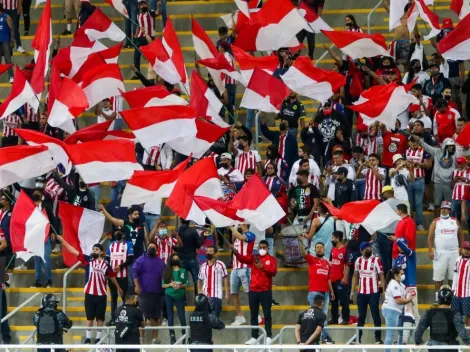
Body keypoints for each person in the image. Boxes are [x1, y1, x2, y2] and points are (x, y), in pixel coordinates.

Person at [57, 236, 123, 344]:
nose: (94, 251)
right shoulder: (87, 260)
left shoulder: (106, 264)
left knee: (100, 319)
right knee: (89, 317)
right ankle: (87, 338)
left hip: (101, 294)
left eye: (96, 249)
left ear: (101, 252)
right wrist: (63, 241)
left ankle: (98, 338)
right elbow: (73, 251)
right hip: (89, 294)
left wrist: (118, 287)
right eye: (93, 249)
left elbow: (111, 277)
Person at [231, 240, 277, 345]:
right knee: (253, 315)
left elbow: (274, 272)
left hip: (265, 290)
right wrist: (235, 252)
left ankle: (269, 336)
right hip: (253, 290)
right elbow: (242, 259)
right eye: (260, 247)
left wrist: (263, 268)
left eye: (264, 247)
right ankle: (254, 337)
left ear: (268, 248)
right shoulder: (254, 258)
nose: (262, 249)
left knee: (267, 314)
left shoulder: (271, 259)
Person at [299, 240, 335, 344]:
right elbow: (303, 253)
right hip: (315, 293)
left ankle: (324, 337)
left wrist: (331, 292)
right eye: (317, 247)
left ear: (324, 249)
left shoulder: (327, 263)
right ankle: (311, 338)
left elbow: (328, 279)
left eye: (321, 247)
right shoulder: (312, 259)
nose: (319, 248)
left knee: (323, 316)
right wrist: (302, 243)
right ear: (315, 250)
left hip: (326, 293)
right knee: (313, 316)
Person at [428, 201, 464, 301]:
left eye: (446, 208)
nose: (444, 210)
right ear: (440, 209)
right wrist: (430, 250)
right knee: (438, 278)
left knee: (453, 277)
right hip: (440, 253)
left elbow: (461, 234)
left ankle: (452, 298)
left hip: (454, 253)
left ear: (449, 210)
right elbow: (430, 237)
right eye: (442, 208)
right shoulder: (436, 221)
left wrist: (461, 248)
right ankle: (437, 298)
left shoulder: (455, 221)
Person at [350, 242, 385, 344]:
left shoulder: (376, 260)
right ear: (361, 251)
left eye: (369, 248)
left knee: (375, 315)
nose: (369, 249)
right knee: (361, 316)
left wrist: (383, 291)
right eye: (366, 248)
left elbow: (381, 275)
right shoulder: (358, 261)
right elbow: (355, 276)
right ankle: (358, 338)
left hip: (373, 292)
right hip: (361, 293)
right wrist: (352, 291)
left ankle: (378, 338)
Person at [133, 242, 166, 344]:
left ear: (157, 250)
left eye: (154, 247)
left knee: (156, 317)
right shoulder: (140, 260)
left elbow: (165, 276)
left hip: (158, 293)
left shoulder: (161, 262)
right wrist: (137, 286)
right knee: (143, 318)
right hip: (145, 292)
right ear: (147, 248)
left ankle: (154, 338)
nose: (151, 248)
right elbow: (134, 272)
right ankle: (141, 339)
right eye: (150, 247)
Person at [106, 229, 134, 326]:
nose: (117, 234)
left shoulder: (128, 244)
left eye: (119, 233)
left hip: (123, 275)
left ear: (123, 234)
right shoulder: (110, 244)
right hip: (112, 276)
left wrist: (121, 266)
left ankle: (126, 317)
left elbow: (130, 259)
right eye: (116, 232)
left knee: (124, 297)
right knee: (113, 297)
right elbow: (107, 259)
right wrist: (110, 271)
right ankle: (113, 318)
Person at [382, 267, 412, 352]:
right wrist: (408, 300)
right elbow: (398, 300)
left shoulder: (400, 284)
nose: (403, 275)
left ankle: (400, 350)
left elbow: (406, 291)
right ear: (395, 275)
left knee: (401, 333)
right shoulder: (393, 284)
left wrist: (410, 293)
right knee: (390, 334)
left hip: (398, 311)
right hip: (391, 310)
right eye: (401, 274)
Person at [230, 225, 255, 326]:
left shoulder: (250, 235)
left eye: (240, 224)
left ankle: (255, 314)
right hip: (235, 268)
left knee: (250, 293)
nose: (238, 225)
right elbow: (234, 237)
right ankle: (240, 316)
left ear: (245, 224)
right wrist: (234, 226)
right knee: (234, 293)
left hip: (245, 268)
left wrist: (230, 226)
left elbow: (241, 237)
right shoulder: (236, 238)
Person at [162, 253, 187, 344]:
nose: (176, 260)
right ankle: (172, 336)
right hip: (169, 294)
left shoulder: (183, 270)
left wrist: (180, 285)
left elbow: (186, 283)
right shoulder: (167, 271)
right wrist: (171, 284)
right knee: (170, 316)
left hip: (180, 295)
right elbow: (163, 285)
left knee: (182, 316)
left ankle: (184, 336)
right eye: (174, 258)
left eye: (177, 258)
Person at [197, 246, 229, 318]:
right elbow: (199, 280)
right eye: (207, 251)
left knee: (215, 318)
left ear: (215, 254)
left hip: (216, 295)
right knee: (205, 319)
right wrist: (199, 292)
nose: (208, 253)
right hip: (204, 296)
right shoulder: (202, 266)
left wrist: (227, 293)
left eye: (210, 251)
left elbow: (225, 278)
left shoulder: (220, 264)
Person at [176, 218, 205, 294]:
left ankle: (183, 301)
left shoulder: (177, 231)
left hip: (181, 259)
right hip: (192, 258)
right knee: (197, 280)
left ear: (180, 221)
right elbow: (198, 245)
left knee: (181, 281)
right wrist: (203, 236)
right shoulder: (192, 231)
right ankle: (198, 299)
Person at [329, 231, 351, 326]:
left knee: (344, 300)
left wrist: (345, 278)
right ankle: (334, 318)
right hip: (332, 279)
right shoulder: (332, 250)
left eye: (333, 238)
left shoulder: (345, 250)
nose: (332, 239)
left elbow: (348, 265)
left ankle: (345, 318)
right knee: (333, 301)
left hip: (340, 280)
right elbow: (330, 263)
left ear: (337, 238)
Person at [451, 239, 470, 326]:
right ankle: (453, 337)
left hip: (467, 294)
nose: (466, 251)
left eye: (469, 249)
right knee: (455, 316)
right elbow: (455, 274)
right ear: (461, 249)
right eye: (465, 249)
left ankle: (468, 338)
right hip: (457, 293)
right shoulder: (458, 260)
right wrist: (453, 289)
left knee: (468, 316)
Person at [451, 156, 469, 221]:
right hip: (455, 197)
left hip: (467, 197)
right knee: (454, 215)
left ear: (465, 163)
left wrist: (463, 179)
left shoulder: (469, 171)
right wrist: (454, 180)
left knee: (466, 216)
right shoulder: (454, 171)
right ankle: (457, 230)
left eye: (460, 163)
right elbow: (451, 186)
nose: (459, 165)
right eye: (458, 163)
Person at [0, 4, 14, 83]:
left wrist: (12, 40)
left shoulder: (6, 17)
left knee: (8, 60)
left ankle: (11, 76)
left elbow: (12, 29)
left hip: (5, 41)